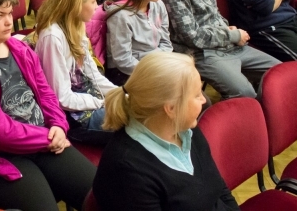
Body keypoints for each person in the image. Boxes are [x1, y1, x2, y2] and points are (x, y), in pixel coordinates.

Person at [0, 0, 97, 211]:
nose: (9, 21)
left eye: (10, 12)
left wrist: (59, 125)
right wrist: (48, 138)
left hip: (43, 140)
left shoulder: (19, 48)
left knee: (100, 194)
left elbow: (45, 92)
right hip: (3, 155)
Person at [93, 51, 239, 211]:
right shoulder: (127, 171)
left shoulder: (186, 130)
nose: (204, 100)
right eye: (197, 94)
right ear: (171, 108)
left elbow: (220, 189)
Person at [33, 0, 117, 145]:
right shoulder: (52, 37)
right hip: (76, 118)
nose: (97, 7)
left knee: (142, 109)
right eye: (93, 2)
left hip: (89, 102)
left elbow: (93, 75)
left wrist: (119, 94)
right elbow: (61, 98)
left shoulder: (77, 25)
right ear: (76, 4)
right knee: (140, 122)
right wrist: (102, 102)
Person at [104, 0, 173, 85]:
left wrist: (163, 63)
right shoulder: (120, 16)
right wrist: (153, 70)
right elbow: (123, 60)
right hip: (128, 71)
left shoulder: (158, 4)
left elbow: (165, 42)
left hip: (156, 64)